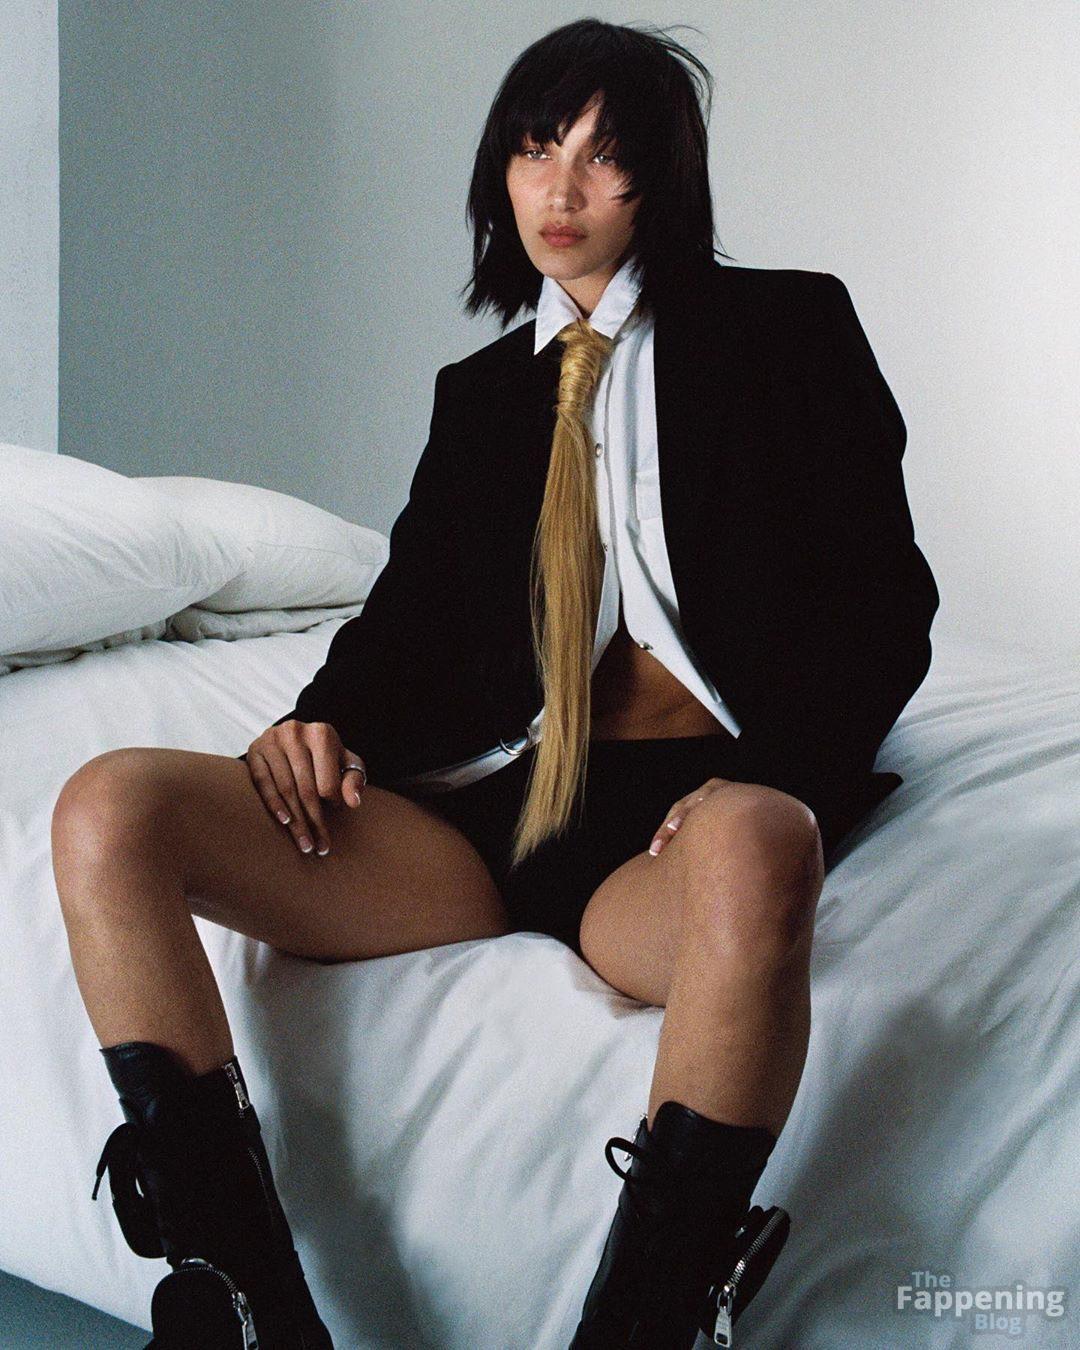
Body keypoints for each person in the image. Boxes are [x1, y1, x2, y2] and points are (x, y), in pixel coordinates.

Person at [52, 17, 940, 1350]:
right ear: (501, 172)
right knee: (108, 808)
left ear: (663, 181)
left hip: (669, 825)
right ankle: (241, 1299)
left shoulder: (785, 329)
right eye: (535, 148)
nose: (561, 188)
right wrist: (320, 720)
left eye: (604, 155)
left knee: (766, 838)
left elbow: (884, 606)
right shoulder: (479, 395)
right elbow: (407, 617)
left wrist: (772, 779)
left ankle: (648, 1322)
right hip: (478, 813)